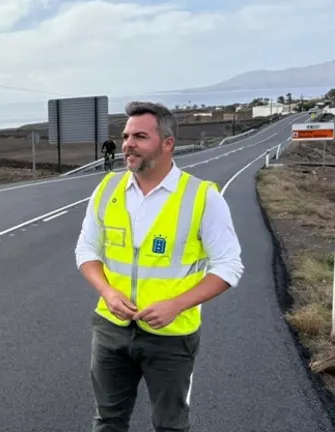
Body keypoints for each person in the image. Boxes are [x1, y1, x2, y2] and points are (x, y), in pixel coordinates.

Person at [74, 101, 244, 432]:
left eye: (139, 136)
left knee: (170, 425)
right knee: (107, 421)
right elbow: (86, 249)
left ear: (167, 143)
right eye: (125, 136)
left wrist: (176, 305)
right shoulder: (107, 188)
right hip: (111, 329)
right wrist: (107, 291)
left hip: (171, 336)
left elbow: (229, 266)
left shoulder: (202, 197)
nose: (127, 144)